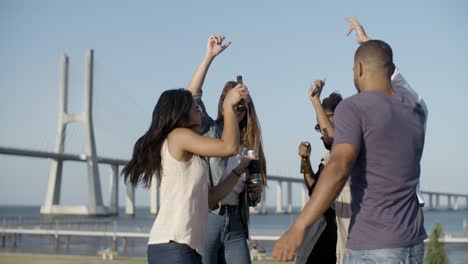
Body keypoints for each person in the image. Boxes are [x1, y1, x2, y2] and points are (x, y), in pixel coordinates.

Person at [273, 17, 428, 263]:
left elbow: (339, 165)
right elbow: (399, 80)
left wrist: (299, 226)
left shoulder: (353, 108)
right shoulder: (416, 107)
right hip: (414, 244)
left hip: (373, 246)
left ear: (358, 69)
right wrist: (368, 44)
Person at [122, 85, 251, 264]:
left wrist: (238, 170)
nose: (199, 108)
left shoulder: (191, 151)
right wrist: (228, 105)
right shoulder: (178, 136)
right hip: (173, 245)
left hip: (186, 249)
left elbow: (210, 200)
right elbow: (229, 147)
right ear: (180, 113)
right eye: (194, 106)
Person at [186, 35, 267, 264]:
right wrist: (209, 57)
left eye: (242, 104)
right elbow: (190, 97)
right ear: (223, 103)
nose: (238, 108)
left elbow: (252, 198)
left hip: (236, 222)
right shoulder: (210, 131)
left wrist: (255, 188)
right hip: (209, 218)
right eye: (232, 102)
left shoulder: (251, 143)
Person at [296, 86, 343, 264]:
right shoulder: (327, 158)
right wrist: (305, 160)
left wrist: (315, 99)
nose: (321, 133)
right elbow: (314, 189)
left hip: (342, 235)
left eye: (322, 123)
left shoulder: (348, 149)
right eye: (318, 126)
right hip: (325, 231)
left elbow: (333, 139)